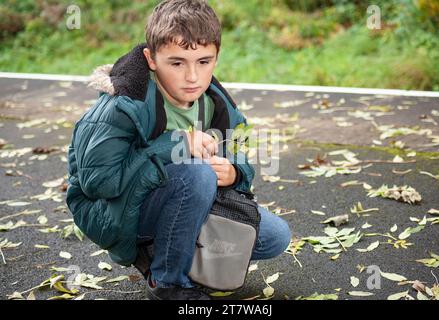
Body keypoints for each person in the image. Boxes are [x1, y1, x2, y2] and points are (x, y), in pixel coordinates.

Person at [66, 0, 291, 300]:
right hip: (118, 212)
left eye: (203, 61)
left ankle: (170, 250)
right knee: (195, 174)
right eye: (177, 62)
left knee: (275, 236)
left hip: (183, 199)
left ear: (216, 57)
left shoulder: (216, 102)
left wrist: (234, 171)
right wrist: (176, 144)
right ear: (151, 58)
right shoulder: (121, 104)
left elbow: (239, 151)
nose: (192, 77)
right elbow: (99, 183)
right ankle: (168, 282)